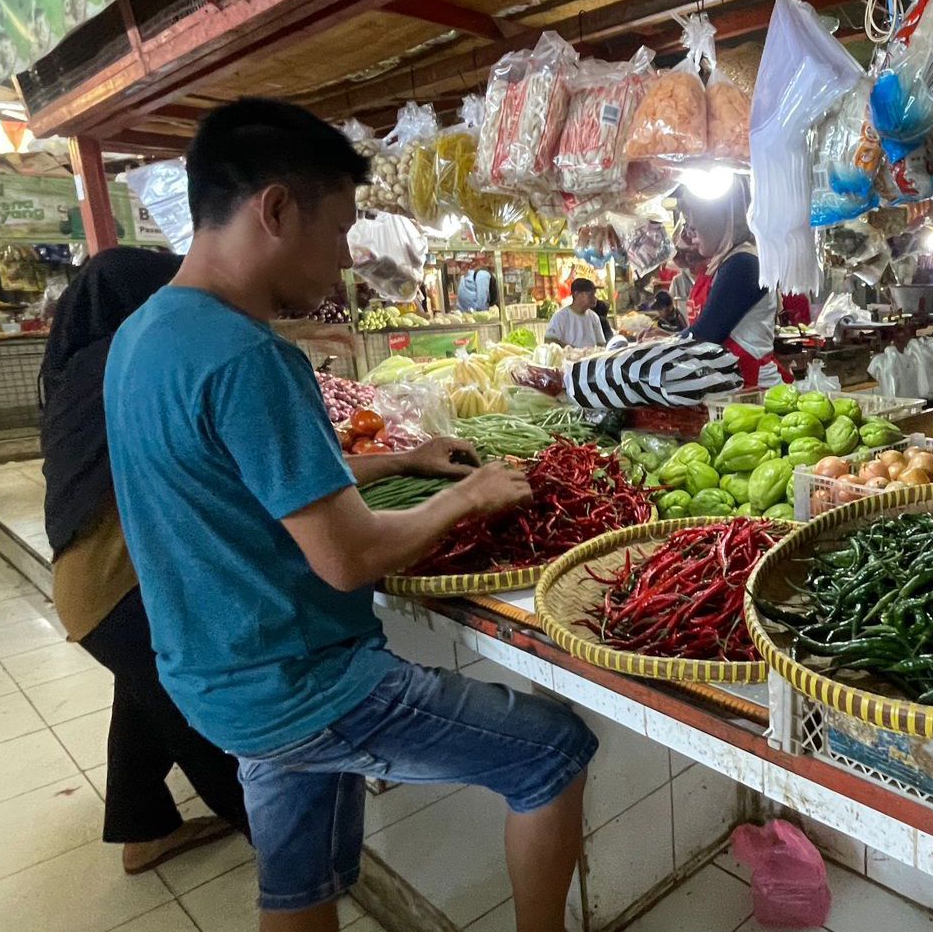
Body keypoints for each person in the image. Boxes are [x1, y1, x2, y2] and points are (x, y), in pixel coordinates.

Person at [104, 99, 596, 932]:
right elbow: (347, 557)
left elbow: (237, 478)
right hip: (305, 680)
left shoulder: (145, 333)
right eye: (338, 232)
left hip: (216, 674)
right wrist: (465, 495)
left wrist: (401, 460)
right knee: (553, 751)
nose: (342, 261)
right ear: (276, 209)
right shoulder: (251, 356)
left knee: (300, 880)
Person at [40, 247, 250, 875]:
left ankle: (143, 829)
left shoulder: (79, 367)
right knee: (204, 725)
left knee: (140, 699)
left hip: (88, 587)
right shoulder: (130, 361)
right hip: (122, 587)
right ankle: (286, 849)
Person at [676, 178, 792, 388]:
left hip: (754, 386)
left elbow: (707, 333)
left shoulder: (742, 264)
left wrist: (653, 349)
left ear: (714, 222)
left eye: (694, 228)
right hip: (738, 381)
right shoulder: (729, 261)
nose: (692, 239)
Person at [543, 278, 605, 349]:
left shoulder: (594, 317)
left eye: (594, 294)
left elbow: (601, 343)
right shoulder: (560, 317)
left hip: (590, 359)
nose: (595, 298)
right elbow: (549, 341)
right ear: (576, 294)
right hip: (568, 359)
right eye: (590, 294)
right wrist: (571, 350)